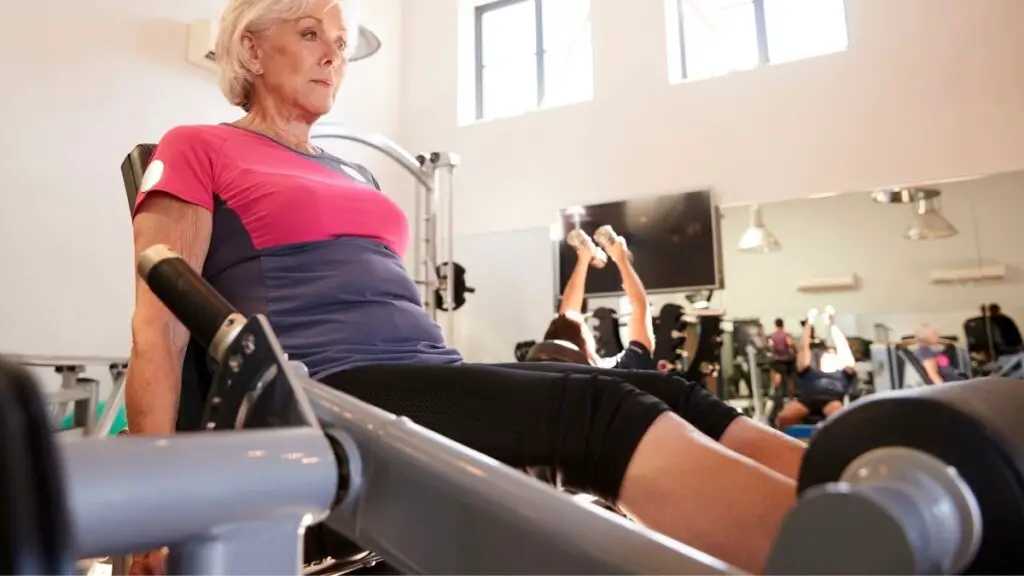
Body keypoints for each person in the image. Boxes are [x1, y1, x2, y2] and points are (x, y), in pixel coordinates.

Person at [125, 1, 804, 573]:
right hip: (321, 392)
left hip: (422, 379)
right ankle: (829, 555)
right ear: (249, 46)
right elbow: (159, 327)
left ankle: (857, 501)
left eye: (339, 45)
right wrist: (153, 509)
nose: (332, 56)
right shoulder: (197, 146)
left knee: (669, 393)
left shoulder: (355, 172)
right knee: (597, 412)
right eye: (310, 35)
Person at [543, 229, 657, 370]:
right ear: (587, 342)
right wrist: (621, 259)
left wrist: (583, 259)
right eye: (584, 328)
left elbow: (567, 321)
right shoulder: (617, 372)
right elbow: (640, 308)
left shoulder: (553, 376)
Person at [776, 307, 856, 429]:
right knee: (783, 418)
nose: (828, 354)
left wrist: (832, 324)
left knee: (841, 420)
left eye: (831, 353)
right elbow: (804, 347)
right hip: (807, 400)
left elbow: (843, 346)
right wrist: (809, 322)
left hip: (831, 400)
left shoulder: (843, 373)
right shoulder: (810, 372)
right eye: (826, 353)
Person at [768, 318, 796, 397]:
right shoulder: (786, 334)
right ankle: (791, 397)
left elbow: (770, 346)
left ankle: (776, 396)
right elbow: (790, 343)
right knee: (790, 379)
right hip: (787, 359)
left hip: (777, 360)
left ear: (775, 325)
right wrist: (795, 351)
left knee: (777, 377)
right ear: (783, 324)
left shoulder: (772, 336)